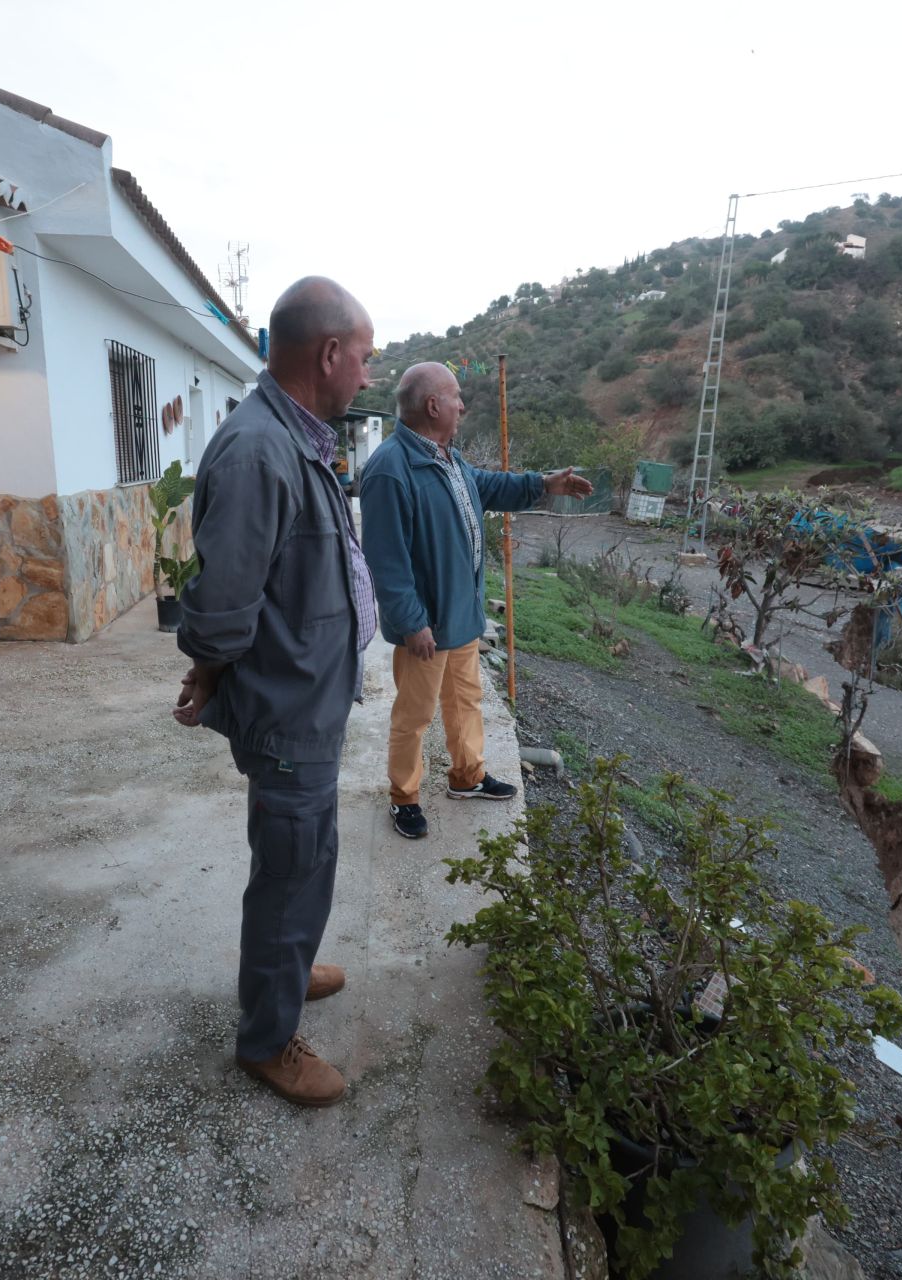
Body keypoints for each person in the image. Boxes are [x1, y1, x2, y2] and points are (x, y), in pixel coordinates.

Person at [171, 276, 377, 1108]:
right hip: (290, 708)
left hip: (311, 701)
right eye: (363, 358)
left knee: (306, 863)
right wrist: (208, 671)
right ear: (328, 354)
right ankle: (266, 1039)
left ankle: (283, 972)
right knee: (292, 870)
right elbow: (223, 608)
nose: (366, 376)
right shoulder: (261, 449)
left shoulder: (297, 437)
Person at [359, 362, 593, 839]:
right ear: (432, 406)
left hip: (461, 617)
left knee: (465, 702)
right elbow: (387, 561)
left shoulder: (448, 458)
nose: (462, 405)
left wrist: (544, 483)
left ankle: (467, 777)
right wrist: (411, 623)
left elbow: (488, 486)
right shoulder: (390, 469)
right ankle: (404, 797)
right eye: (456, 397)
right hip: (426, 625)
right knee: (415, 716)